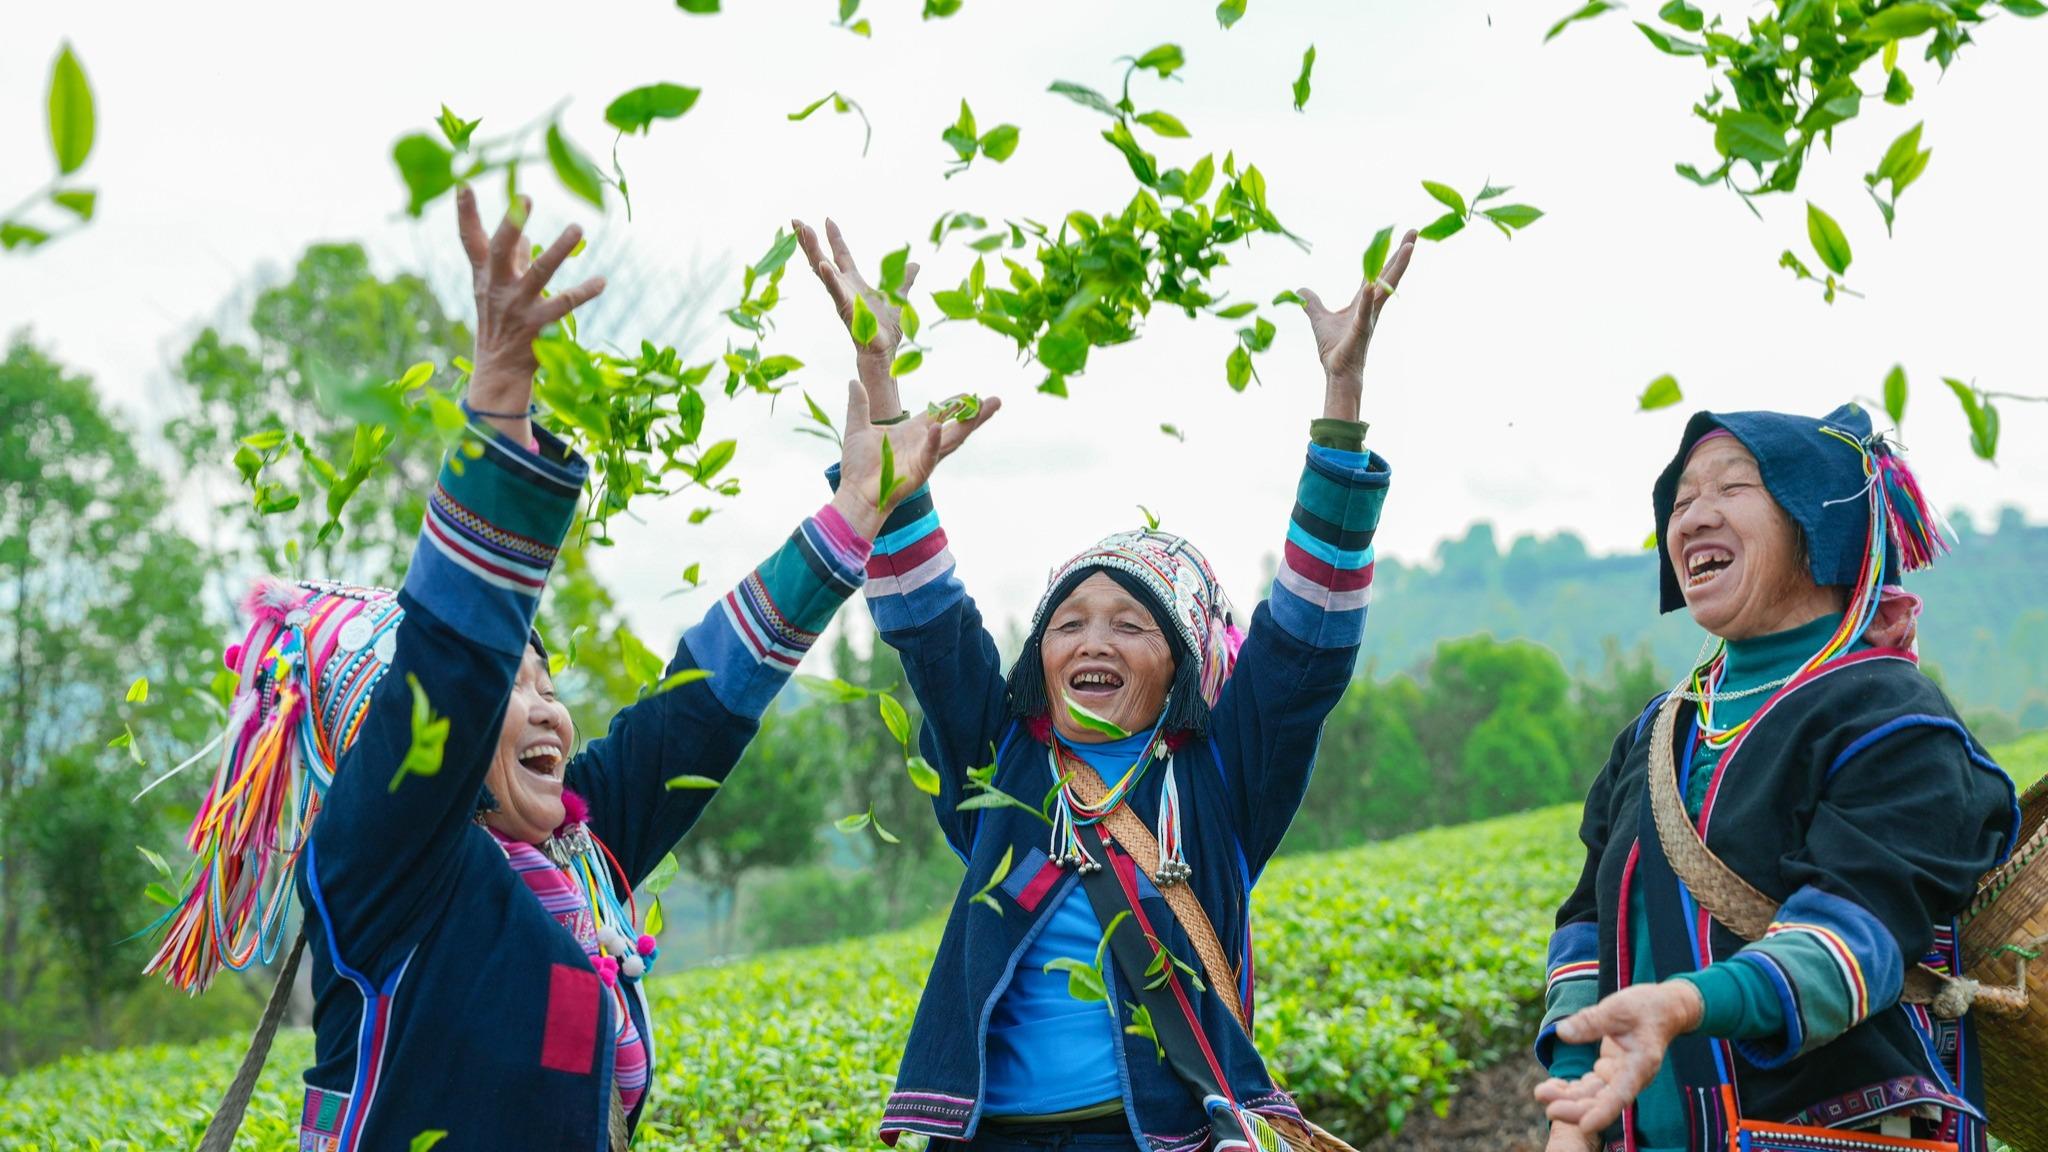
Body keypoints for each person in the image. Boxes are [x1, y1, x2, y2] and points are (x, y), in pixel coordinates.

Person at [146, 190, 996, 1152]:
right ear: (393, 743)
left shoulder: (579, 853)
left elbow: (704, 704)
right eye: (509, 686)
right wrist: (499, 417)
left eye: (546, 681)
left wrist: (855, 510)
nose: (546, 706)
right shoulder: (380, 864)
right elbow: (450, 663)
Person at [791, 218, 1413, 1150]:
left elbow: (1304, 651)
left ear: (1183, 668)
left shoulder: (1216, 776)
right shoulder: (1003, 761)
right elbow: (929, 626)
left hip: (1155, 1134)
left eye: (1131, 625)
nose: (1094, 641)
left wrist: (1342, 396)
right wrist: (879, 383)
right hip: (987, 1135)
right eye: (1069, 623)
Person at [1532, 406, 2019, 1152]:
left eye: (1731, 489)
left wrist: (1689, 1003)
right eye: (1683, 499)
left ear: (1815, 524)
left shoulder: (1894, 723)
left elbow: (1853, 937)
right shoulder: (1656, 733)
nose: (1694, 516)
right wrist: (1573, 1104)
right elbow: (1587, 931)